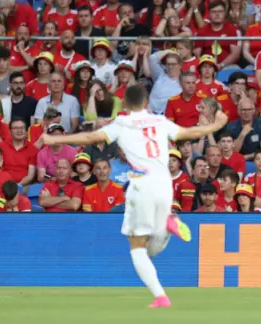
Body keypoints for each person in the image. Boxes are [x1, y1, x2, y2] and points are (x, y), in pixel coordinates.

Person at [41, 85, 228, 307]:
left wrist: (55, 140)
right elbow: (190, 133)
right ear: (147, 102)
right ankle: (167, 226)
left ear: (125, 104)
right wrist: (217, 124)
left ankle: (160, 295)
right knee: (150, 249)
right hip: (165, 184)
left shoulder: (122, 124)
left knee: (137, 248)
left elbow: (91, 136)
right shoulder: (160, 122)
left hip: (141, 185)